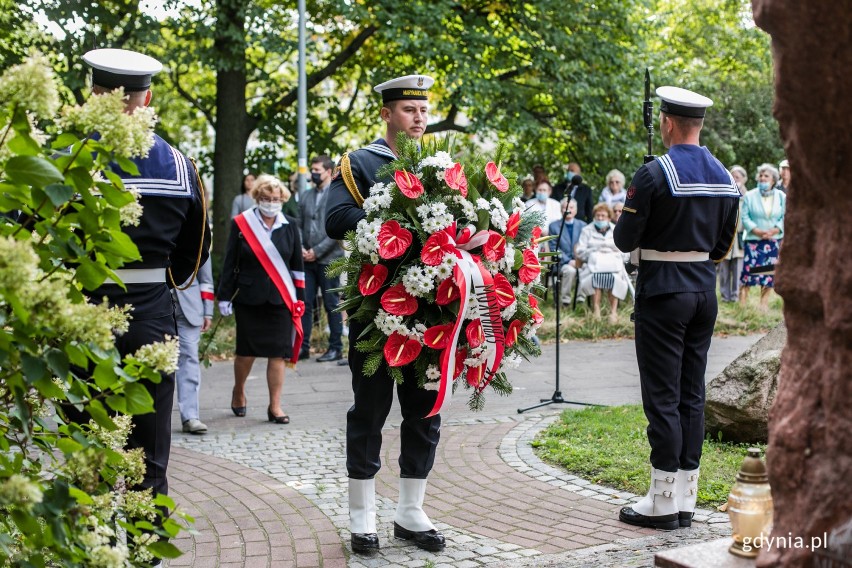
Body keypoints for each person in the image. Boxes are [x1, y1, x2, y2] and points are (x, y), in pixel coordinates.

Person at [76, 49, 212, 509]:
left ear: (94, 95)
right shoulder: (180, 165)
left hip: (80, 309)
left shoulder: (65, 158)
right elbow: (194, 254)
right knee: (150, 436)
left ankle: (87, 531)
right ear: (147, 98)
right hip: (152, 310)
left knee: (86, 436)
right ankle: (146, 536)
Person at [325, 74, 445, 555]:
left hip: (434, 304)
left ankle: (410, 510)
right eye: (409, 110)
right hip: (376, 304)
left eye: (423, 110)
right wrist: (394, 222)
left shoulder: (440, 166)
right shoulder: (360, 162)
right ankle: (362, 514)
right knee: (371, 407)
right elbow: (335, 220)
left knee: (425, 409)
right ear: (387, 114)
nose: (419, 119)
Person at [614, 86, 739, 530]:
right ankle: (687, 494)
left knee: (662, 397)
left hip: (663, 293)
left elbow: (624, 240)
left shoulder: (653, 174)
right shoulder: (726, 176)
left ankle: (662, 499)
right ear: (698, 124)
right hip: (705, 293)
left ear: (667, 123)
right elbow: (723, 246)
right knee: (692, 393)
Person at [217, 174, 305, 425]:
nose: (270, 202)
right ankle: (239, 391)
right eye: (265, 198)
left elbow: (297, 267)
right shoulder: (242, 224)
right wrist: (224, 297)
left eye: (275, 199)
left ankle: (275, 406)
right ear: (257, 197)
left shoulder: (290, 224)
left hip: (280, 300)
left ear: (282, 199)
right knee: (246, 353)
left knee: (278, 354)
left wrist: (300, 299)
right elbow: (229, 262)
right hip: (249, 298)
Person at [298, 155, 344, 362]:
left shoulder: (337, 194)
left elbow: (337, 229)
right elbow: (299, 223)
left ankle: (335, 347)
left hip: (329, 258)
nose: (313, 173)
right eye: (312, 170)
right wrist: (301, 247)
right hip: (306, 259)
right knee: (305, 304)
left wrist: (317, 251)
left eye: (317, 170)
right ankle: (303, 346)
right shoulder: (306, 195)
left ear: (328, 171)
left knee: (331, 304)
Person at [172, 258, 214, 434]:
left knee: (189, 357)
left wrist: (208, 310)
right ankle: (152, 417)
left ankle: (190, 417)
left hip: (189, 306)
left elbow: (205, 277)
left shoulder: (195, 230)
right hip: (153, 302)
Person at [739, 163, 786, 311]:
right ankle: (742, 304)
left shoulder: (781, 196)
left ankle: (763, 304)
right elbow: (745, 216)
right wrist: (757, 231)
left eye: (766, 176)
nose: (762, 178)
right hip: (754, 240)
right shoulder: (750, 195)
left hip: (773, 240)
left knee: (767, 273)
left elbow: (785, 215)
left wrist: (774, 230)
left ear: (773, 180)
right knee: (749, 272)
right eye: (761, 176)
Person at [575, 203, 631, 323]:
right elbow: (580, 251)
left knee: (615, 279)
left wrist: (612, 251)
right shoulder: (586, 230)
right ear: (594, 216)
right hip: (593, 266)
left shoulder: (616, 230)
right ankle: (596, 311)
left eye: (603, 216)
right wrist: (595, 249)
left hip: (614, 267)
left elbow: (625, 252)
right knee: (595, 278)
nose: (600, 218)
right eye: (598, 215)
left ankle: (613, 312)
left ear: (609, 217)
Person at [717, 166, 748, 302]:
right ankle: (725, 296)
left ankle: (735, 296)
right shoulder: (724, 193)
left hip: (740, 236)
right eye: (733, 176)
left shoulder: (748, 197)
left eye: (738, 177)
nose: (735, 179)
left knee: (737, 268)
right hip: (725, 236)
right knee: (724, 269)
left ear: (743, 179)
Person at [548, 199, 586, 305]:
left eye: (571, 207)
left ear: (576, 210)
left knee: (586, 269)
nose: (568, 210)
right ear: (561, 210)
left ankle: (580, 299)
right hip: (563, 262)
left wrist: (579, 260)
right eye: (565, 207)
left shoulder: (583, 225)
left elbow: (585, 245)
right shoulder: (554, 226)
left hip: (580, 260)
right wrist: (568, 261)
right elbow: (553, 248)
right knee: (570, 271)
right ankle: (566, 300)